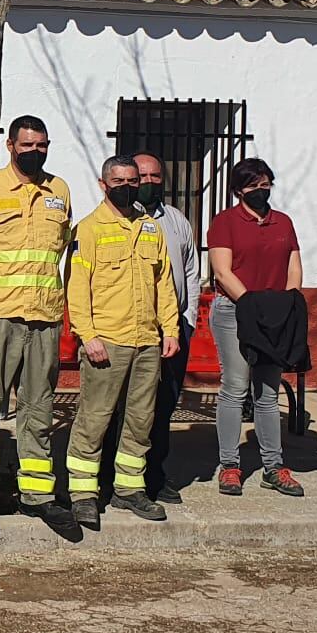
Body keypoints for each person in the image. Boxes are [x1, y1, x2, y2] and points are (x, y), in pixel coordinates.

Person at [0, 114, 77, 541]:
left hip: (43, 317)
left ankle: (37, 496)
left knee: (38, 410)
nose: (35, 152)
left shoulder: (59, 191)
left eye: (42, 145)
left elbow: (60, 249)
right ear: (10, 145)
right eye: (27, 145)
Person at [63, 156, 179, 528]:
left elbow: (164, 284)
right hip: (107, 342)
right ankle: (83, 493)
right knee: (94, 419)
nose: (128, 186)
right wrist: (88, 335)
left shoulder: (150, 229)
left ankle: (130, 490)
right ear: (103, 184)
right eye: (119, 180)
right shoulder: (89, 229)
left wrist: (171, 329)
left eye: (132, 180)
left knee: (140, 420)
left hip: (146, 341)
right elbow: (76, 288)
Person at [206, 157, 306, 496]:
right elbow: (222, 271)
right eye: (253, 185)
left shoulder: (283, 222)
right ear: (238, 190)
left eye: (265, 185)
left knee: (267, 392)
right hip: (236, 311)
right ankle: (229, 465)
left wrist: (288, 303)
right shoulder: (225, 222)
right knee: (235, 387)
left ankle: (273, 466)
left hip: (276, 314)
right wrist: (252, 304)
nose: (260, 191)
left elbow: (294, 265)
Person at [133, 150, 203, 503]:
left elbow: (191, 272)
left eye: (155, 176)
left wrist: (186, 321)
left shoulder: (176, 220)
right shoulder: (116, 219)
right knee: (126, 408)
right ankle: (117, 477)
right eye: (141, 176)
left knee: (162, 407)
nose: (148, 183)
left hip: (172, 332)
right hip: (128, 332)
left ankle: (155, 477)